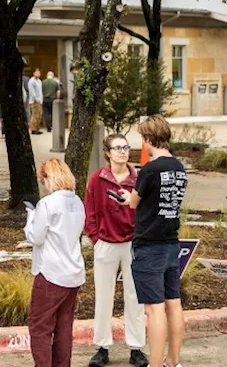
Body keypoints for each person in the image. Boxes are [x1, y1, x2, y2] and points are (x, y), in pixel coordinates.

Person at [116, 116, 188, 367]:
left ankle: (155, 364)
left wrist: (126, 197)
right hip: (171, 243)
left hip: (149, 244)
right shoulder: (179, 167)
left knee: (153, 309)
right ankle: (173, 361)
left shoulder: (149, 169)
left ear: (147, 139)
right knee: (173, 304)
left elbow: (134, 202)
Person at [84, 135, 147, 367]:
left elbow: (146, 208)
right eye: (117, 148)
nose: (123, 151)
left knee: (135, 296)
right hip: (106, 242)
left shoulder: (139, 178)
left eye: (126, 147)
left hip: (133, 243)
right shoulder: (98, 179)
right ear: (107, 152)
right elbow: (89, 210)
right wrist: (95, 237)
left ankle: (136, 347)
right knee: (103, 296)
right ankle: (102, 346)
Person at [25, 159, 86, 367]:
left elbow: (35, 237)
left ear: (49, 178)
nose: (44, 185)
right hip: (73, 271)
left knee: (39, 326)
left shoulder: (47, 204)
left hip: (50, 272)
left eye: (43, 180)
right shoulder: (77, 201)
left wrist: (30, 218)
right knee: (63, 327)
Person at [27, 69, 45, 135]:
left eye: (39, 73)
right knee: (35, 115)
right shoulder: (31, 81)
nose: (38, 74)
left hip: (39, 100)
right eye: (37, 73)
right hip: (34, 100)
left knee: (39, 115)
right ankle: (33, 129)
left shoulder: (39, 81)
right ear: (33, 73)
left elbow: (40, 91)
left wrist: (41, 100)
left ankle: (37, 128)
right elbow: (32, 91)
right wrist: (36, 99)